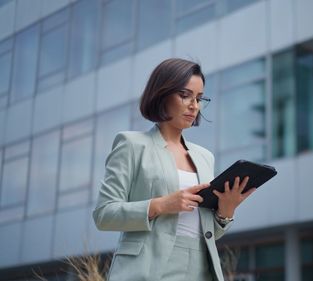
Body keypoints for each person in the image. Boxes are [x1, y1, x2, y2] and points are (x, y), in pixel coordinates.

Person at [93, 58, 256, 281]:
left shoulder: (205, 157)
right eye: (185, 95)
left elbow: (208, 233)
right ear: (162, 94)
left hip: (201, 268)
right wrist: (161, 204)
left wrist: (226, 211)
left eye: (199, 99)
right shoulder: (132, 145)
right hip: (148, 267)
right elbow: (104, 215)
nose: (194, 106)